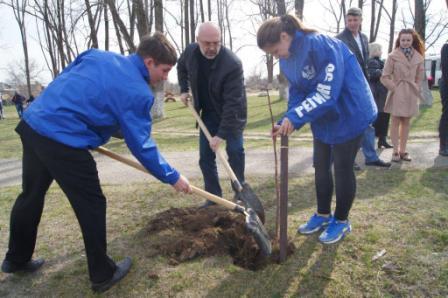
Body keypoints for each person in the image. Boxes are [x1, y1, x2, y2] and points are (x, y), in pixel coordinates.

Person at [1, 32, 192, 293]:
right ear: (149, 62)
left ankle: (16, 259)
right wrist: (173, 177)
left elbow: (72, 84)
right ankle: (102, 274)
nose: (166, 77)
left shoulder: (95, 55)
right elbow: (142, 145)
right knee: (91, 204)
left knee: (31, 195)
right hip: (63, 140)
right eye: (165, 70)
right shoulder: (137, 92)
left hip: (34, 125)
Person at [257, 15, 377, 244]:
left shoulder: (321, 44)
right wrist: (288, 119)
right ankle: (323, 214)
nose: (276, 56)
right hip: (324, 117)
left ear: (284, 36)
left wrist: (296, 115)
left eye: (275, 51)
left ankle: (341, 220)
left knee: (342, 168)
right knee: (320, 165)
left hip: (350, 112)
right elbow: (298, 92)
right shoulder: (287, 58)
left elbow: (326, 92)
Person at [177, 22, 247, 207]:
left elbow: (233, 104)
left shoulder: (232, 64)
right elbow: (181, 67)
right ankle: (213, 197)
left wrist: (221, 135)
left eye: (216, 43)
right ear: (197, 40)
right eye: (207, 43)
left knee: (235, 152)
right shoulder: (190, 52)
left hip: (232, 115)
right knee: (206, 158)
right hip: (207, 113)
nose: (212, 47)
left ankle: (241, 194)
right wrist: (184, 89)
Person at [336, 7, 391, 168]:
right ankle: (348, 160)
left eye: (355, 20)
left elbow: (364, 63)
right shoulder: (339, 39)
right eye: (349, 20)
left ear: (361, 20)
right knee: (348, 124)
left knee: (367, 121)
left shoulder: (364, 38)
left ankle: (371, 157)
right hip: (347, 88)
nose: (352, 23)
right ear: (346, 21)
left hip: (363, 87)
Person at [381, 29, 425, 162]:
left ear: (413, 41)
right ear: (399, 40)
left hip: (411, 92)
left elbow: (420, 76)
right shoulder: (392, 56)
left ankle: (403, 151)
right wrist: (394, 87)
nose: (405, 42)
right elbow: (384, 76)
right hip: (397, 92)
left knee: (406, 122)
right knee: (395, 121)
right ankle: (395, 151)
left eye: (408, 40)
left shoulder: (418, 57)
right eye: (403, 40)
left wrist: (416, 86)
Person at [367, 43, 393, 149]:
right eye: (379, 49)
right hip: (378, 94)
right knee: (379, 118)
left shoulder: (379, 61)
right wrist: (385, 71)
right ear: (374, 50)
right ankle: (378, 141)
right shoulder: (372, 61)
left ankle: (382, 140)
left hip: (381, 93)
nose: (381, 51)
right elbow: (372, 74)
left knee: (384, 117)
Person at [439, 41, 448, 156]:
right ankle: (443, 146)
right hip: (446, 84)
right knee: (447, 114)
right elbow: (446, 69)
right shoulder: (446, 47)